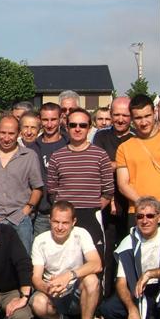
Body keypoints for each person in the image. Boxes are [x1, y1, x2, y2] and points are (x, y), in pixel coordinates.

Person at [29, 201, 102, 319]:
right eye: (56, 221)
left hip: (76, 289)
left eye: (65, 222)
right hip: (53, 291)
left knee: (92, 279)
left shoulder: (81, 234)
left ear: (73, 222)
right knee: (37, 304)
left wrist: (68, 276)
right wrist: (47, 287)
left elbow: (96, 264)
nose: (60, 227)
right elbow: (36, 277)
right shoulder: (40, 240)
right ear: (50, 219)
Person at [47, 108, 114, 261]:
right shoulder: (57, 156)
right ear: (67, 127)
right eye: (73, 125)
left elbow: (108, 189)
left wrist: (93, 207)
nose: (77, 129)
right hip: (64, 218)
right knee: (65, 261)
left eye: (82, 125)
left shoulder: (100, 155)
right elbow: (52, 189)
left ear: (89, 128)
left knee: (94, 262)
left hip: (91, 214)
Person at [0, 116, 44, 252]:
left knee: (22, 260)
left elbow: (37, 187)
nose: (6, 138)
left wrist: (27, 209)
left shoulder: (29, 156)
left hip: (20, 218)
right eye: (3, 133)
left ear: (18, 134)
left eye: (11, 134)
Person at [115, 94, 160, 227]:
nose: (143, 122)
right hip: (138, 212)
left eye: (147, 116)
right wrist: (145, 206)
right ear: (132, 119)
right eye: (138, 118)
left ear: (154, 113)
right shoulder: (124, 148)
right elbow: (123, 184)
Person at [94, 97, 133, 296]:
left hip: (132, 204)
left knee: (130, 251)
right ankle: (106, 296)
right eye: (116, 114)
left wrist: (115, 165)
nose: (120, 119)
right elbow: (100, 167)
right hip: (106, 202)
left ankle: (129, 295)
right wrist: (122, 165)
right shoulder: (101, 137)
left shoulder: (136, 138)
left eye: (125, 115)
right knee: (106, 253)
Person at [33, 103, 68, 237]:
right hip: (42, 213)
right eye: (45, 120)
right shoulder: (33, 148)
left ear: (60, 119)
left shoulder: (69, 144)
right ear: (39, 120)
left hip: (66, 212)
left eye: (53, 119)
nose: (49, 124)